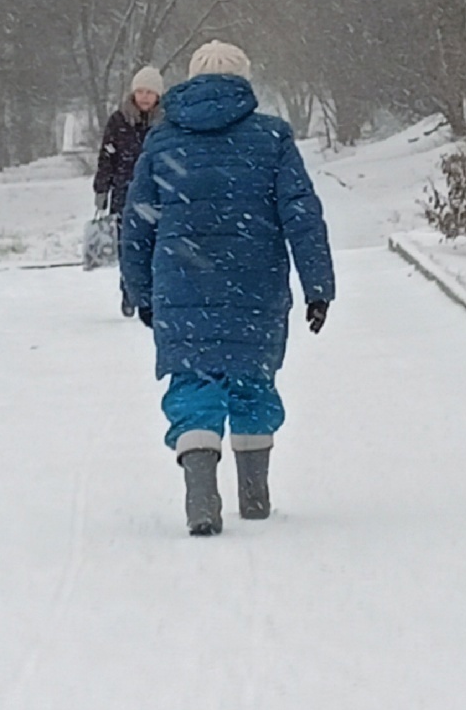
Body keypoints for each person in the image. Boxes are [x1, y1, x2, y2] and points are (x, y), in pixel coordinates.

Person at [119, 41, 335, 535]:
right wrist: (317, 285)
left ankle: (200, 500)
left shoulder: (163, 142)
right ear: (243, 80)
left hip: (181, 281)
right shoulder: (271, 138)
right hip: (253, 280)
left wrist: (141, 289)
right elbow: (301, 214)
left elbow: (138, 222)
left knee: (194, 385)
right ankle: (255, 496)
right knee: (252, 379)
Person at [88, 67, 164, 303]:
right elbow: (107, 156)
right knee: (128, 245)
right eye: (140, 91)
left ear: (158, 96)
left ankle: (153, 289)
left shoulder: (167, 123)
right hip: (125, 193)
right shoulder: (119, 120)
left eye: (149, 92)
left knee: (157, 244)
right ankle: (129, 289)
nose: (144, 97)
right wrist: (101, 188)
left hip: (159, 192)